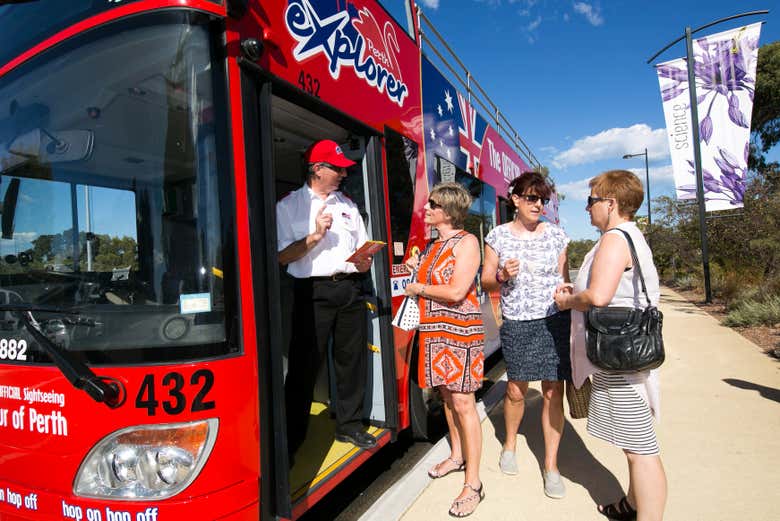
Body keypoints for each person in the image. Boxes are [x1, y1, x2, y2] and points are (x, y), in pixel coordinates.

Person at [554, 169, 667, 521]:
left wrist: (568, 301)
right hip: (623, 355)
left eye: (592, 202)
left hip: (619, 358)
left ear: (611, 203)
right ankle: (631, 506)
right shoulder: (627, 236)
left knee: (641, 450)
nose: (587, 209)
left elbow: (599, 296)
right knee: (634, 445)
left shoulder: (615, 239)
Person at [277, 139, 377, 460]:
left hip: (350, 288)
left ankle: (348, 424)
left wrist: (364, 262)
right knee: (305, 367)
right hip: (312, 293)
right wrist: (315, 236)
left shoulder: (347, 205)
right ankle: (291, 438)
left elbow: (362, 247)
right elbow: (281, 257)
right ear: (317, 169)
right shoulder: (288, 206)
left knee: (351, 361)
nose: (343, 175)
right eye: (337, 168)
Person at [480, 171, 572, 499]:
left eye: (542, 199)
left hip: (553, 320)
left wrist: (569, 292)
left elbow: (563, 279)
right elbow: (486, 281)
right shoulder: (498, 236)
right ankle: (509, 445)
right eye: (531, 198)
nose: (538, 204)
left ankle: (551, 466)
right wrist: (502, 274)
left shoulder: (558, 236)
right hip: (518, 322)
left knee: (552, 392)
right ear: (515, 200)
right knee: (517, 390)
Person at [404, 182, 485, 518]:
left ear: (448, 210)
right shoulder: (431, 245)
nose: (426, 208)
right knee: (447, 398)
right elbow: (435, 281)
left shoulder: (467, 243)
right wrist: (416, 270)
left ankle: (474, 484)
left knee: (464, 402)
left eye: (432, 204)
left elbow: (455, 291)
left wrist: (419, 285)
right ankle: (456, 455)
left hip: (461, 333)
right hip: (434, 330)